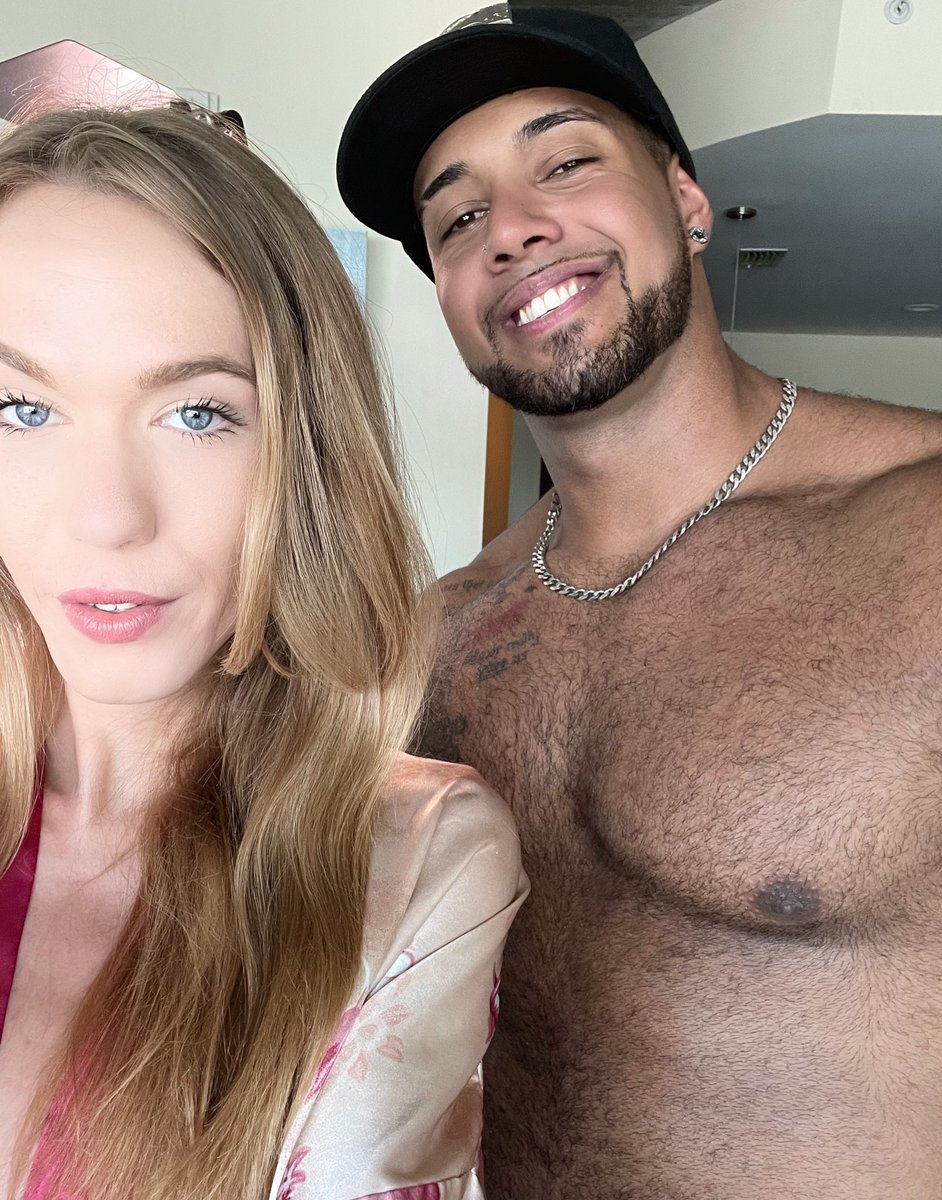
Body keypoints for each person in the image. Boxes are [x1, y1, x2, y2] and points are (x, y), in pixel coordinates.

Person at [337, 7, 942, 1197]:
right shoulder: (429, 639)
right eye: (457, 219)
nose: (513, 228)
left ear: (688, 200)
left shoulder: (918, 533)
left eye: (567, 162)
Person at [0, 105, 526, 1200]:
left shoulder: (405, 863)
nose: (107, 518)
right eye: (20, 408)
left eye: (197, 414)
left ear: (305, 456)